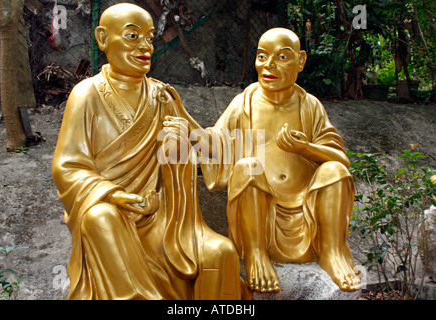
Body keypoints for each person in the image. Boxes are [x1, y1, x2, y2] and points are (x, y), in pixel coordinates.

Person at [51, 3, 245, 300]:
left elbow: (208, 148)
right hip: (113, 213)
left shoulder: (162, 96)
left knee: (221, 254)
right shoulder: (86, 94)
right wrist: (113, 195)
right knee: (99, 218)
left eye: (150, 38)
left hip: (163, 219)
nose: (145, 46)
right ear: (103, 39)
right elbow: (66, 166)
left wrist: (184, 144)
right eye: (132, 36)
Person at [171, 27, 362, 294]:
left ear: (301, 61)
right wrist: (187, 122)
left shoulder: (310, 106)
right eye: (262, 56)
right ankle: (256, 254)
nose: (268, 65)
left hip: (306, 212)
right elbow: (215, 143)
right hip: (260, 214)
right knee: (247, 167)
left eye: (282, 57)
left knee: (333, 171)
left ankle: (330, 252)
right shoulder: (245, 102)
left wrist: (306, 148)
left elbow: (341, 160)